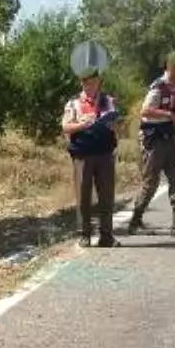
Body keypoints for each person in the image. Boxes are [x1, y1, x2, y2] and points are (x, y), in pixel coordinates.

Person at [125, 50, 175, 237]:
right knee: (151, 182)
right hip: (153, 139)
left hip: (169, 138)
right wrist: (167, 115)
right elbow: (145, 111)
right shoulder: (158, 87)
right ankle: (136, 220)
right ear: (174, 68)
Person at [62, 65, 120, 248]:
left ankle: (106, 235)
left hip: (104, 154)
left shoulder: (108, 101)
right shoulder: (73, 104)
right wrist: (82, 124)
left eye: (94, 83)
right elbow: (66, 127)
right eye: (87, 83)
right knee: (83, 195)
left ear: (98, 82)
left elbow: (116, 124)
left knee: (107, 195)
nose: (91, 86)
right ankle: (84, 235)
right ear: (82, 83)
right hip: (83, 155)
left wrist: (112, 124)